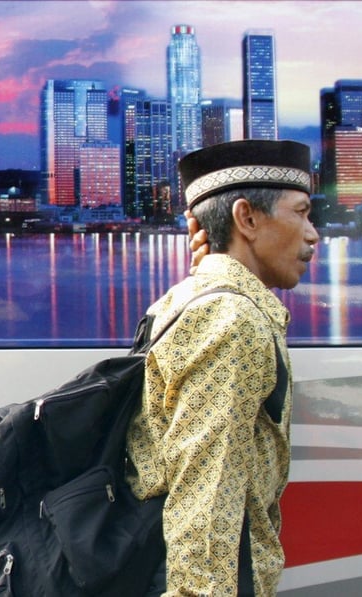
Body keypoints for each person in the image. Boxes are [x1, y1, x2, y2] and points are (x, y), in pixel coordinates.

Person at [126, 140, 319, 597]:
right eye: (302, 212)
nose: (312, 234)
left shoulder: (184, 299)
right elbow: (206, 494)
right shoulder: (232, 320)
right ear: (247, 219)